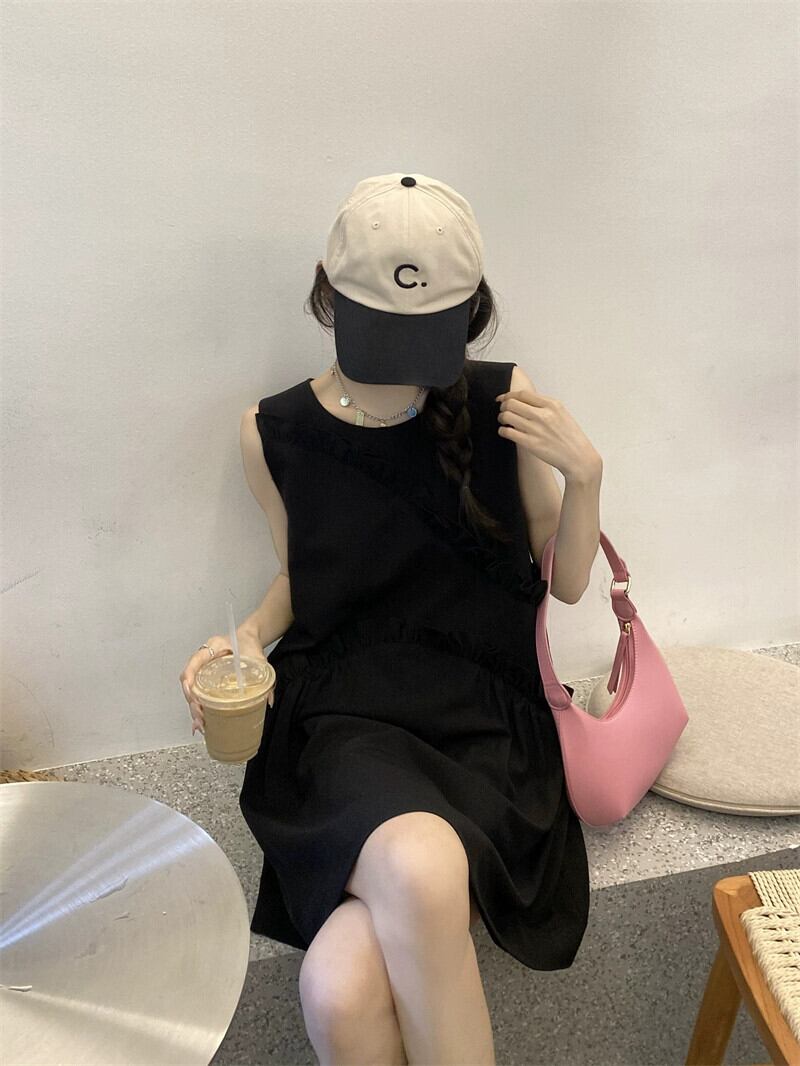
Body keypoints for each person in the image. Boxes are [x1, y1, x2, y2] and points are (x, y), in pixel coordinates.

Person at [179, 173, 603, 1065]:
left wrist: (586, 478)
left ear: (470, 309)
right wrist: (247, 640)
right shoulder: (273, 430)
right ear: (328, 296)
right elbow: (301, 576)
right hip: (347, 720)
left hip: (485, 726)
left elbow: (565, 585)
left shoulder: (502, 401)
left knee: (337, 990)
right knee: (417, 866)